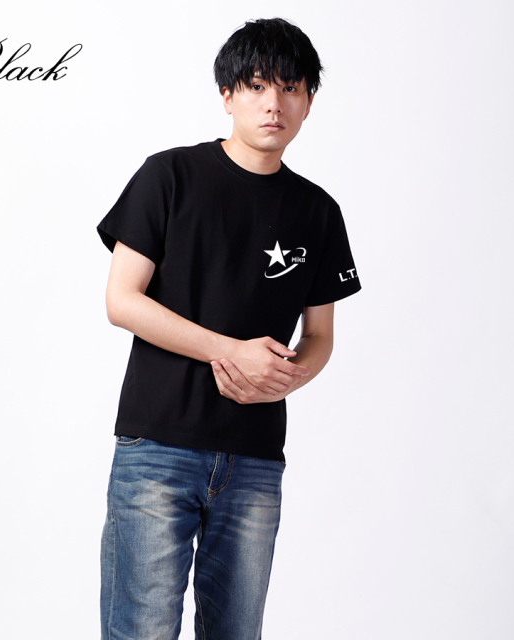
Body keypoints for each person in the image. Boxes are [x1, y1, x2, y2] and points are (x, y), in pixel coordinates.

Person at [96, 17, 361, 640]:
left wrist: (286, 379)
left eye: (291, 88)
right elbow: (121, 300)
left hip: (255, 457)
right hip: (157, 445)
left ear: (309, 102)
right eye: (258, 86)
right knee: (141, 631)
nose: (274, 104)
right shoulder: (169, 176)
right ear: (227, 95)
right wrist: (232, 352)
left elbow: (320, 336)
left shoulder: (318, 211)